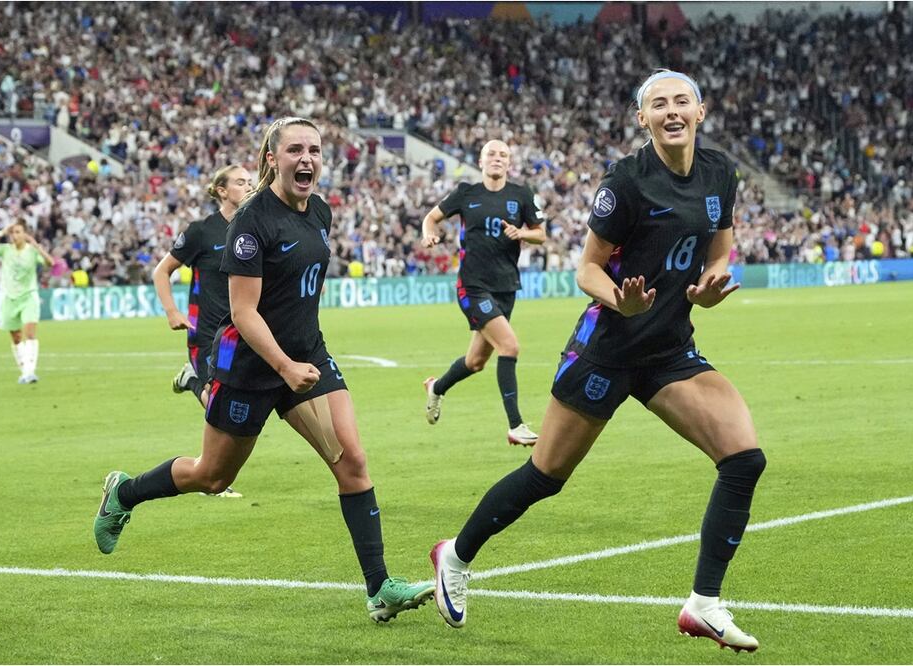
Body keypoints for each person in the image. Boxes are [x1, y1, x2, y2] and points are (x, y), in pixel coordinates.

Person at [429, 71, 766, 652]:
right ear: (643, 120)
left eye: (681, 101)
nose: (672, 111)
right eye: (658, 104)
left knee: (743, 459)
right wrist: (621, 300)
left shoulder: (720, 174)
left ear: (701, 111)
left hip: (667, 351)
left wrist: (709, 286)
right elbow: (584, 269)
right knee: (544, 477)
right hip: (605, 350)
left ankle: (703, 604)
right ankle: (454, 556)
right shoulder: (626, 182)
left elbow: (720, 246)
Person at [94, 117, 435, 621]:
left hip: (309, 357)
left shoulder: (320, 210)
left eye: (315, 150)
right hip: (252, 365)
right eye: (295, 149)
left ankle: (379, 587)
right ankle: (123, 493)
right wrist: (283, 365)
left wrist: (302, 360)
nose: (307, 159)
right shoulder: (251, 222)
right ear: (272, 158)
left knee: (353, 463)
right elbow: (243, 312)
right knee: (211, 476)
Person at [420, 139, 547, 446]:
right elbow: (431, 218)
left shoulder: (522, 195)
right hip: (472, 286)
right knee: (510, 347)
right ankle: (515, 425)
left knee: (476, 361)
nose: (497, 158)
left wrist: (522, 233)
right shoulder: (466, 193)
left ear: (509, 163)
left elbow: (541, 235)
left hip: (506, 287)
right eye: (492, 153)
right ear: (481, 160)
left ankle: (437, 388)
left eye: (504, 154)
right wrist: (429, 234)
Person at [151, 164, 254, 499]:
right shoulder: (201, 231)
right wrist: (171, 311)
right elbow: (161, 271)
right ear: (222, 191)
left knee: (235, 402)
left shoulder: (254, 228)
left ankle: (189, 380)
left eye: (250, 182)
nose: (248, 186)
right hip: (206, 333)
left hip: (242, 333)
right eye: (240, 182)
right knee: (217, 400)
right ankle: (213, 476)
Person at [0, 219, 54, 383]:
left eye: (18, 232)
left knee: (30, 333)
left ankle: (30, 372)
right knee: (16, 337)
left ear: (25, 234)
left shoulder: (32, 251)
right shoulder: (5, 250)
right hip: (10, 298)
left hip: (29, 296)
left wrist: (36, 245)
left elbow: (50, 263)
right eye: (12, 232)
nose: (14, 235)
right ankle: (24, 372)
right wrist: (1, 232)